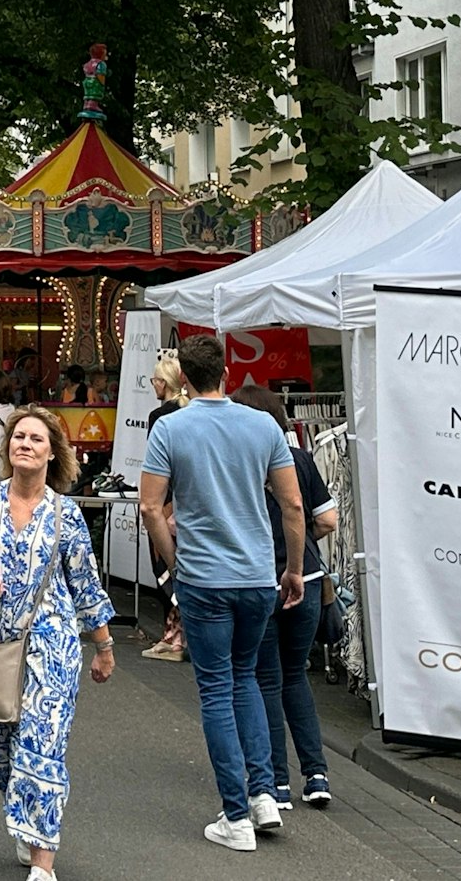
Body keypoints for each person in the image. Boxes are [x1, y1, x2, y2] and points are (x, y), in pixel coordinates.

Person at [137, 334, 305, 853]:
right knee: (246, 678)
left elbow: (150, 507)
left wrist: (174, 564)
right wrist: (293, 569)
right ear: (227, 374)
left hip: (204, 576)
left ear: (184, 379)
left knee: (215, 689)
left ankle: (235, 814)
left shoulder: (170, 428)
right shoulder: (263, 426)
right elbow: (293, 505)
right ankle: (263, 794)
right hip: (256, 575)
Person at [0, 406, 116, 879]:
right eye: (18, 437)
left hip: (51, 644)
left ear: (52, 452)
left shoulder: (67, 514)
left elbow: (86, 585)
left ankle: (43, 862)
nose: (25, 444)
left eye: (36, 439)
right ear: (8, 448)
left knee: (42, 744)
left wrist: (103, 647)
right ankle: (26, 821)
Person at [230, 385, 339, 811]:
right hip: (307, 578)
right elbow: (328, 519)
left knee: (266, 680)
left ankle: (276, 781)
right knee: (296, 677)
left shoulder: (237, 466)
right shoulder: (300, 460)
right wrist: (300, 542)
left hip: (261, 582)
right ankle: (316, 774)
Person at [141, 351, 192, 662]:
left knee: (165, 565)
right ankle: (180, 635)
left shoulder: (159, 417)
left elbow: (156, 466)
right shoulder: (190, 411)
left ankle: (173, 637)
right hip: (187, 499)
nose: (153, 385)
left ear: (164, 383)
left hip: (165, 501)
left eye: (155, 380)